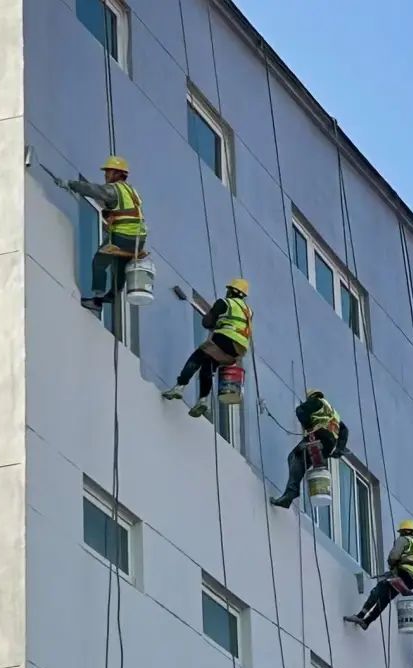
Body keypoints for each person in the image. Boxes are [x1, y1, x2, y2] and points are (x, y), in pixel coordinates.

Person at [55, 156, 147, 312]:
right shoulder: (131, 191)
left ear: (118, 173)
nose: (106, 175)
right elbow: (127, 212)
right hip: (138, 240)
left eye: (109, 172)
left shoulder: (113, 189)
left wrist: (70, 184)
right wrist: (108, 214)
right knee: (120, 265)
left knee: (99, 261)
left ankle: (97, 300)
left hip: (123, 236)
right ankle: (113, 295)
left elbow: (93, 190)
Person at [162, 279, 252, 418]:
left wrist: (214, 321)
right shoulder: (248, 311)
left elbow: (207, 322)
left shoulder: (225, 302)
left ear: (231, 291)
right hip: (237, 351)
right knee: (208, 366)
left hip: (225, 339)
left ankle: (180, 386)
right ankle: (203, 400)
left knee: (197, 357)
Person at [269, 389, 349, 508]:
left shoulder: (316, 402)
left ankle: (292, 492)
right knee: (301, 461)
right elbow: (344, 430)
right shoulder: (333, 413)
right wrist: (339, 449)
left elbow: (300, 411)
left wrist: (309, 427)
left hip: (318, 436)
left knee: (294, 456)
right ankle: (290, 494)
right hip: (328, 445)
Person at [343, 519, 413, 629]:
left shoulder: (403, 540)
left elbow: (394, 556)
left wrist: (392, 567)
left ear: (403, 531)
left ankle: (360, 615)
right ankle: (366, 622)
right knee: (385, 598)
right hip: (412, 581)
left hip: (403, 574)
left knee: (378, 589)